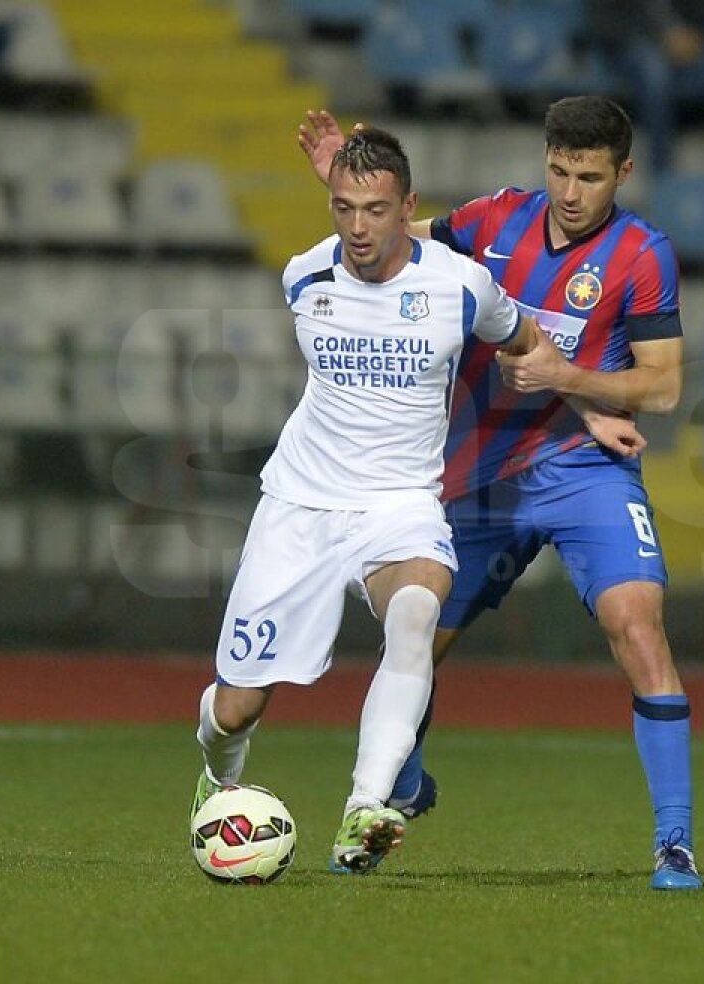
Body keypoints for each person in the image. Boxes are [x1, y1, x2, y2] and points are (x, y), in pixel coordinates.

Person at [299, 96, 704, 890]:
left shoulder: (642, 253)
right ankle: (398, 790)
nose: (570, 191)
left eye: (589, 176)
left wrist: (567, 378)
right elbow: (390, 245)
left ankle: (675, 843)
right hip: (478, 472)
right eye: (558, 170)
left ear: (623, 172)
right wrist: (343, 184)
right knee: (413, 640)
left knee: (638, 625)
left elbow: (661, 389)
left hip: (584, 466)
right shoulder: (493, 221)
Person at [190, 126, 545, 875]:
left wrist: (590, 400)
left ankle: (365, 809)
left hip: (401, 505)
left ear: (409, 206)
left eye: (376, 209)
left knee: (417, 615)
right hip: (300, 507)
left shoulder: (460, 285)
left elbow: (524, 337)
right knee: (235, 709)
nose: (358, 227)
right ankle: (219, 778)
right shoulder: (304, 276)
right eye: (344, 207)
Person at [584, 1, 704, 184]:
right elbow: (604, 24)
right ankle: (662, 178)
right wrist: (660, 40)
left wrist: (694, 37)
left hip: (686, 54)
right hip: (632, 51)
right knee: (654, 72)